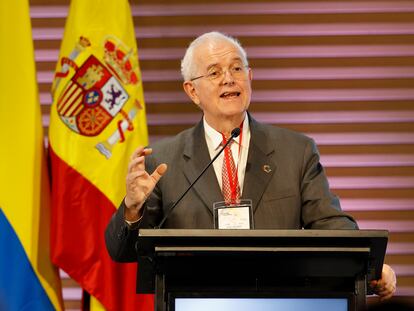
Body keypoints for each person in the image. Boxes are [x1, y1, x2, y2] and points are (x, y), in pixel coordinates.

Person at [105, 31, 396, 300]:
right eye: (214, 72)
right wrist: (132, 209)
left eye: (236, 68)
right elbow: (123, 252)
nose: (229, 79)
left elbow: (329, 224)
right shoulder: (163, 160)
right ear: (192, 91)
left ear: (250, 77)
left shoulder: (295, 151)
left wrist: (371, 264)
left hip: (279, 300)